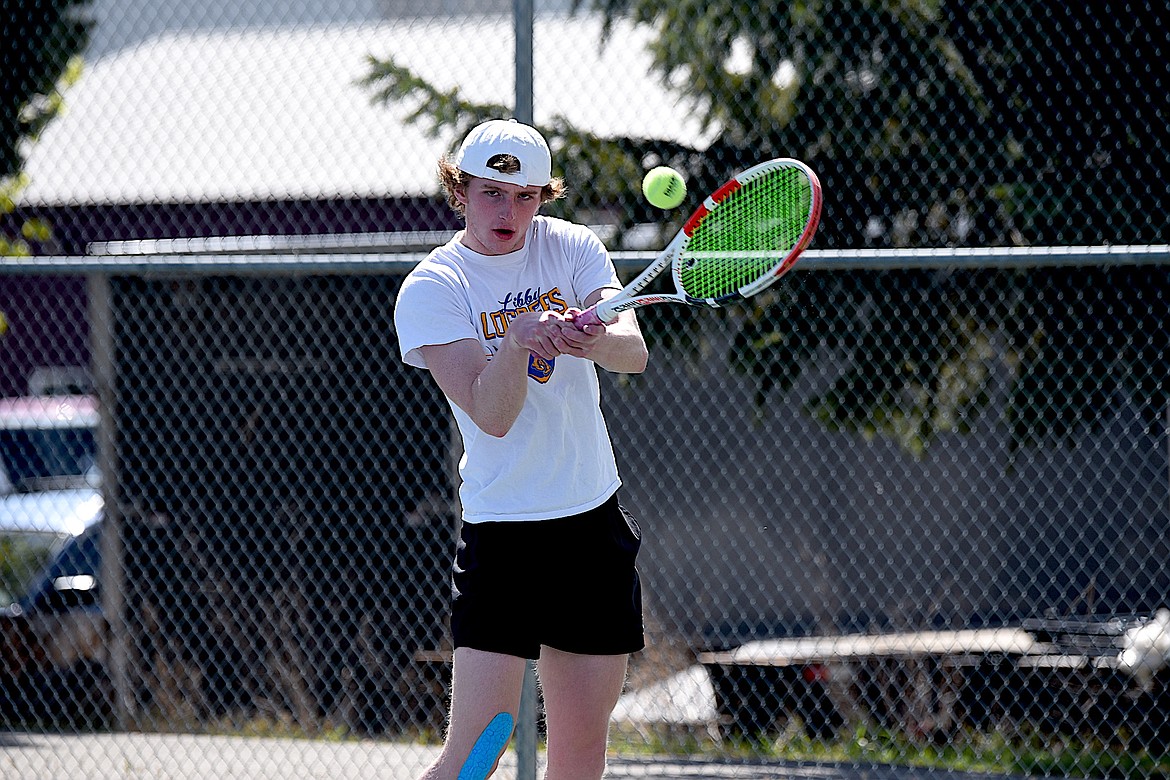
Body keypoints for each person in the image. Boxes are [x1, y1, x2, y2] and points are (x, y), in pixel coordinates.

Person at [394, 118, 650, 779]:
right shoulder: (434, 287)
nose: (510, 211)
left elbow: (633, 350)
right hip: (503, 535)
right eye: (491, 194)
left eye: (526, 196)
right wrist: (516, 341)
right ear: (460, 190)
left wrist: (586, 337)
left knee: (578, 757)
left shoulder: (572, 248)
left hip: (590, 525)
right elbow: (490, 414)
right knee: (478, 751)